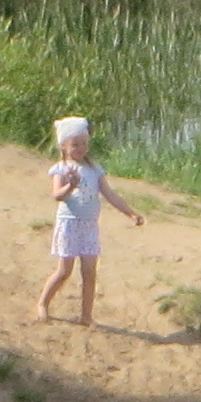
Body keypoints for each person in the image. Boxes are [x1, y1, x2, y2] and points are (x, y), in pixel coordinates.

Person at [37, 117, 144, 329]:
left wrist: (130, 213)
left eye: (84, 144)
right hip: (69, 224)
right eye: (75, 144)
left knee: (89, 272)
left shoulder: (95, 170)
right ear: (64, 146)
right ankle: (43, 304)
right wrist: (71, 186)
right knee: (64, 271)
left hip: (89, 226)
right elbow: (57, 195)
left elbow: (109, 194)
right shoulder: (61, 168)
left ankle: (86, 316)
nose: (80, 148)